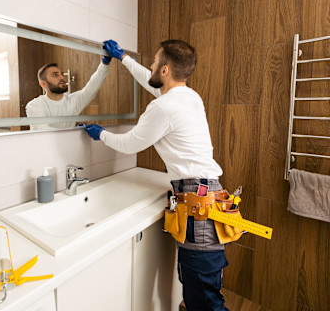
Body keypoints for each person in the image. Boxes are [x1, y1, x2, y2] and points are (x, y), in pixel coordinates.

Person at [83, 39, 234, 311]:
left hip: (198, 206)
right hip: (206, 196)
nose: (150, 66)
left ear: (164, 70)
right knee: (197, 290)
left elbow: (129, 144)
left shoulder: (163, 108)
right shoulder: (189, 96)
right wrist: (124, 58)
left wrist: (100, 134)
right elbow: (150, 82)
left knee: (205, 300)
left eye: (154, 62)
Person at [25, 52, 112, 131]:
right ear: (43, 84)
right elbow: (44, 131)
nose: (62, 77)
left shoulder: (73, 100)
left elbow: (92, 87)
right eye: (55, 75)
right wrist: (74, 132)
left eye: (61, 74)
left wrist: (104, 63)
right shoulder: (34, 105)